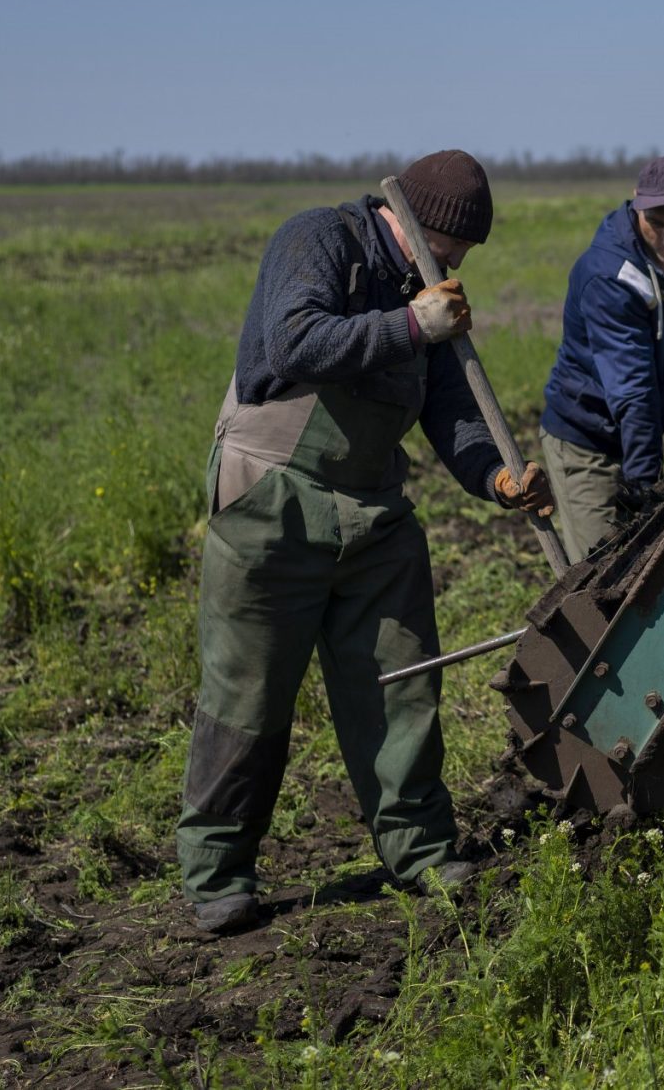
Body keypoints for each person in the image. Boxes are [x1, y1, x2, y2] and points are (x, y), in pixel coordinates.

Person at [177, 149, 549, 934]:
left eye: (461, 256)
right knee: (249, 691)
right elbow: (294, 341)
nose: (451, 266)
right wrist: (412, 323)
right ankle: (219, 873)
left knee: (401, 680)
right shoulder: (319, 239)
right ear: (406, 217)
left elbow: (450, 407)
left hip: (372, 509)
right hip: (272, 496)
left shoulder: (425, 286)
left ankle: (420, 848)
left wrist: (496, 476)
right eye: (446, 248)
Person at [538, 155, 664, 562]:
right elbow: (633, 389)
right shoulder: (609, 275)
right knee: (601, 567)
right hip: (587, 439)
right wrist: (643, 487)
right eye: (656, 223)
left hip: (642, 425)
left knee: (648, 561)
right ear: (636, 205)